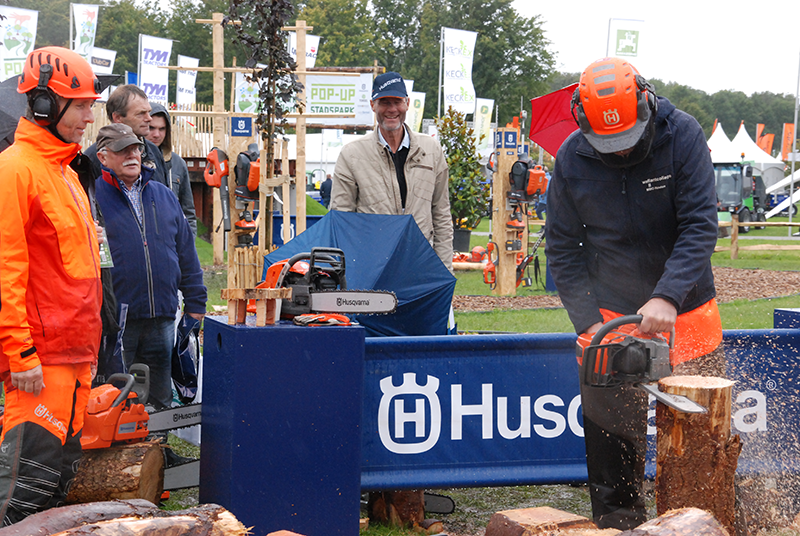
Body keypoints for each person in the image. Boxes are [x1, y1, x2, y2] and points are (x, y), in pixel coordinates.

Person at [545, 57, 724, 530]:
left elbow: (701, 224)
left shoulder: (681, 135)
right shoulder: (570, 156)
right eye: (608, 144)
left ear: (645, 101)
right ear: (582, 119)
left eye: (627, 139)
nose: (620, 152)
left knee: (701, 436)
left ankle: (703, 520)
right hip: (610, 312)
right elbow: (563, 248)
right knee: (610, 441)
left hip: (686, 310)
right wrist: (587, 322)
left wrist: (667, 295)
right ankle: (619, 523)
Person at [0, 46, 103, 524]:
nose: (88, 116)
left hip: (75, 357)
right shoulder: (16, 169)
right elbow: (6, 268)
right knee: (21, 493)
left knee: (53, 494)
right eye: (80, 105)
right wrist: (18, 353)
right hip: (39, 363)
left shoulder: (65, 174)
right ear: (44, 103)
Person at [94, 123, 207, 411]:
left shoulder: (163, 194)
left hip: (163, 316)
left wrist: (196, 302)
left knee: (160, 397)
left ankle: (159, 451)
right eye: (122, 150)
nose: (132, 155)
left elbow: (186, 253)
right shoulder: (91, 197)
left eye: (135, 148)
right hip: (116, 318)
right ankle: (114, 453)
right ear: (103, 157)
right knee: (113, 395)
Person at [331, 71, 454, 271]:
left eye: (396, 102)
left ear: (407, 103)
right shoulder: (352, 155)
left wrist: (443, 271)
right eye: (384, 102)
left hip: (420, 262)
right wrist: (348, 272)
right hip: (373, 265)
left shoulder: (430, 150)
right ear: (373, 105)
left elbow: (441, 214)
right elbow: (341, 220)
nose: (392, 109)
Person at [84, 85, 168, 190]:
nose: (149, 118)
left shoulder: (153, 150)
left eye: (148, 112)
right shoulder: (93, 158)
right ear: (118, 118)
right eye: (141, 113)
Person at [147, 102, 198, 237]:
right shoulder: (133, 161)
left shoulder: (177, 163)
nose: (156, 134)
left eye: (162, 129)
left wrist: (188, 243)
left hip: (172, 241)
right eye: (151, 128)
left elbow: (188, 212)